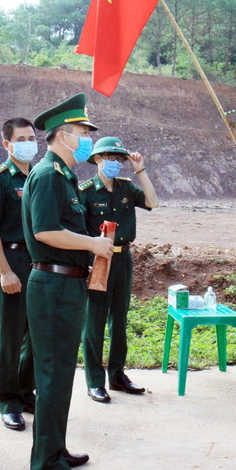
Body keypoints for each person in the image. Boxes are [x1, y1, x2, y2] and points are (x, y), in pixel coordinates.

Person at [22, 93, 114, 470]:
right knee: (54, 375)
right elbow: (44, 231)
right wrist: (92, 244)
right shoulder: (46, 176)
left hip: (65, 283)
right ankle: (47, 466)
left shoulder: (62, 176)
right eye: (82, 132)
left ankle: (54, 450)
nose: (88, 139)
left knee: (59, 374)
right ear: (61, 137)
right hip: (53, 284)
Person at [79, 137, 160, 403]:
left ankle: (117, 376)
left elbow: (153, 202)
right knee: (94, 322)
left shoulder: (126, 188)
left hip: (123, 258)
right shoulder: (86, 191)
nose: (115, 163)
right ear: (97, 159)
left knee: (119, 321)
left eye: (118, 159)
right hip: (98, 260)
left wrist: (140, 170)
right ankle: (94, 381)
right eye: (109, 158)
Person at [0, 117, 38, 431]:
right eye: (22, 138)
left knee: (35, 335)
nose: (29, 143)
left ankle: (27, 393)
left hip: (38, 264)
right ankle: (8, 401)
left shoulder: (39, 176)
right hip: (11, 260)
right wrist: (4, 271)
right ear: (7, 144)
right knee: (11, 337)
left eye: (32, 137)